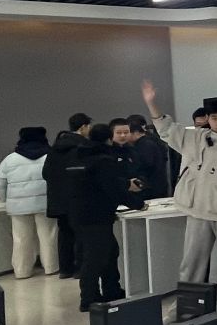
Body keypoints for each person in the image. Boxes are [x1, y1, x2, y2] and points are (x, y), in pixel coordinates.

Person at [144, 82, 217, 315]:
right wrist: (152, 103)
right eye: (214, 118)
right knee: (192, 263)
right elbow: (167, 130)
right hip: (197, 210)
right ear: (208, 119)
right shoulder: (196, 138)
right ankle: (188, 306)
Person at [64, 123, 146, 310]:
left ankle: (111, 290)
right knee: (96, 257)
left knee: (107, 252)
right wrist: (137, 203)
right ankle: (89, 298)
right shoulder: (104, 160)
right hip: (96, 214)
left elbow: (93, 182)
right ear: (109, 138)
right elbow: (111, 188)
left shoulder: (77, 156)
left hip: (77, 212)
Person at [0, 126, 57, 278]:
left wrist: (5, 200)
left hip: (18, 206)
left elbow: (0, 183)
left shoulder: (10, 159)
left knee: (21, 239)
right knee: (48, 236)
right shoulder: (51, 156)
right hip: (46, 204)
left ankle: (22, 271)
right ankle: (51, 267)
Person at [44, 113, 94, 278]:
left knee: (64, 234)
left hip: (58, 199)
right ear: (83, 127)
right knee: (81, 233)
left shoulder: (55, 148)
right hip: (79, 197)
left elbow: (46, 173)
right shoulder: (84, 146)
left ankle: (65, 269)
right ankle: (80, 268)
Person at [126, 114, 172, 199]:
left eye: (127, 132)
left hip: (150, 188)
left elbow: (145, 165)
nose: (125, 136)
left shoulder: (144, 145)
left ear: (135, 132)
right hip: (158, 185)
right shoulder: (153, 140)